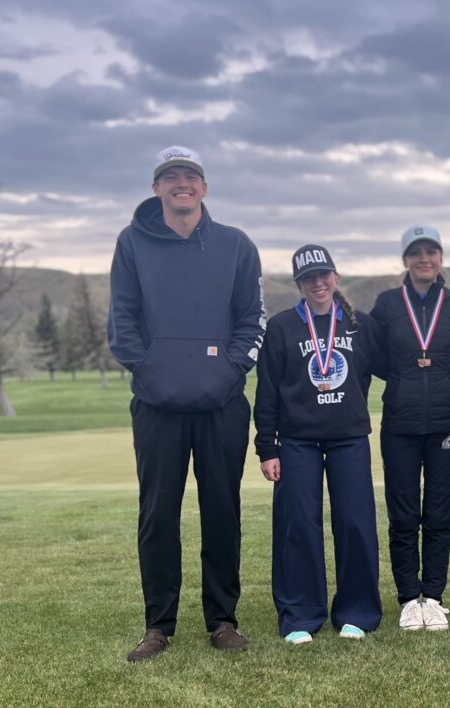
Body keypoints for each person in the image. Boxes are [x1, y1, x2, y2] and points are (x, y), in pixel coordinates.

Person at [108, 145, 265, 662]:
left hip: (221, 404)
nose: (182, 184)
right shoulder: (132, 243)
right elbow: (122, 323)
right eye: (171, 177)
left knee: (222, 510)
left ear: (204, 186)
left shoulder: (236, 245)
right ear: (157, 188)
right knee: (158, 514)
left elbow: (251, 320)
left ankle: (222, 620)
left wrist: (228, 371)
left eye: (191, 176)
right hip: (157, 406)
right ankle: (158, 626)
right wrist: (152, 371)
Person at [254, 244, 386, 643]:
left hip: (348, 440)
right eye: (309, 278)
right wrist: (267, 447)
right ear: (299, 283)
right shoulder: (281, 327)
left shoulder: (359, 324)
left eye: (324, 275)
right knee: (299, 526)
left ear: (336, 277)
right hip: (297, 441)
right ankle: (299, 617)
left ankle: (357, 612)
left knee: (355, 524)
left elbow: (381, 370)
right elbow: (268, 392)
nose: (318, 283)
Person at [370, 225, 450, 631]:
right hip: (400, 423)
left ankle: (433, 596)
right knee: (404, 515)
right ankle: (408, 599)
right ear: (405, 260)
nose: (424, 259)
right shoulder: (386, 304)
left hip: (447, 422)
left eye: (431, 251)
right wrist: (404, 380)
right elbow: (377, 357)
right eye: (416, 253)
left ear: (441, 258)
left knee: (439, 514)